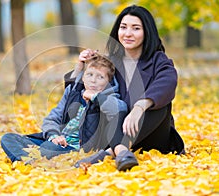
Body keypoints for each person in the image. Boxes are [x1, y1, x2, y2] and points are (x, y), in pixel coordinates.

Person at [69, 5, 185, 171]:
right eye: (123, 27)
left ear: (147, 32)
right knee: (114, 108)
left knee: (159, 105)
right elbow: (73, 95)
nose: (128, 33)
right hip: (112, 131)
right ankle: (121, 151)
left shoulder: (158, 61)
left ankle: (111, 152)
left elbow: (167, 82)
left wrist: (139, 107)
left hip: (150, 135)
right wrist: (80, 66)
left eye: (136, 28)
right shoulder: (108, 63)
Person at [0, 54, 128, 163]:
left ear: (108, 82)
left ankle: (33, 158)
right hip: (56, 142)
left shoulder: (109, 97)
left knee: (47, 148)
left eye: (100, 77)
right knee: (8, 138)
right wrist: (53, 135)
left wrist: (95, 97)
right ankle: (28, 161)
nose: (93, 80)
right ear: (83, 77)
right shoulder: (73, 92)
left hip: (74, 148)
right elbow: (52, 118)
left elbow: (120, 109)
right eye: (89, 74)